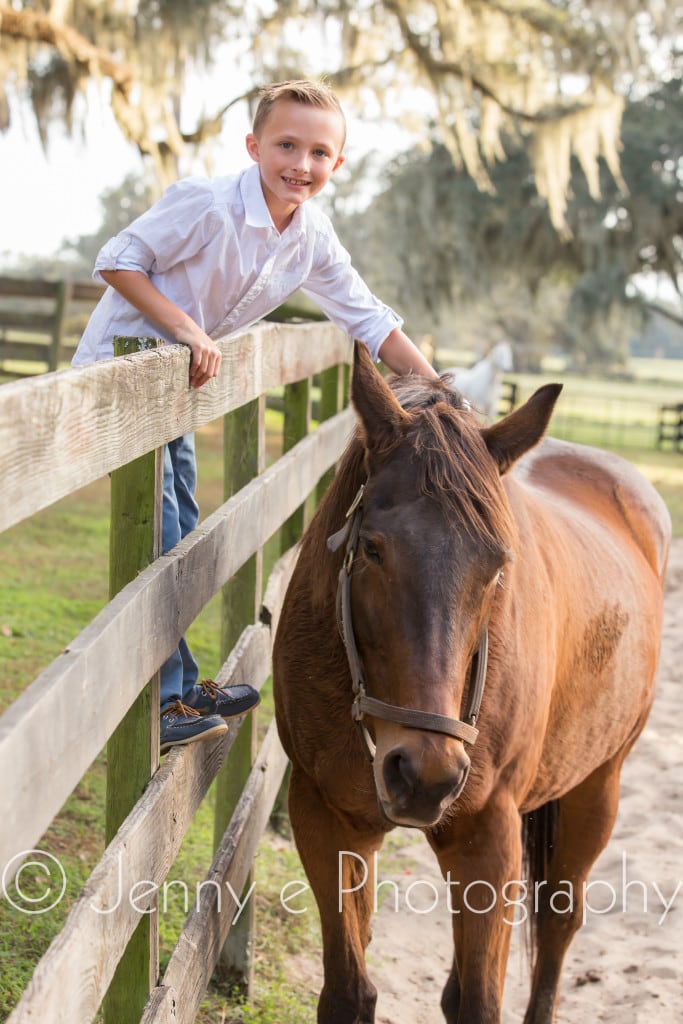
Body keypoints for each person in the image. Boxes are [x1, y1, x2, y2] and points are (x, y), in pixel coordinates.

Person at [73, 78, 437, 753]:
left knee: (179, 533)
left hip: (171, 391)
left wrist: (438, 390)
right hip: (124, 378)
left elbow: (367, 317)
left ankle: (176, 686)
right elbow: (117, 261)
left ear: (338, 165)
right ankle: (161, 703)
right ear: (254, 146)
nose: (301, 164)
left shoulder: (309, 237)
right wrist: (188, 329)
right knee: (163, 536)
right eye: (286, 145)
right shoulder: (206, 205)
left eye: (319, 153)